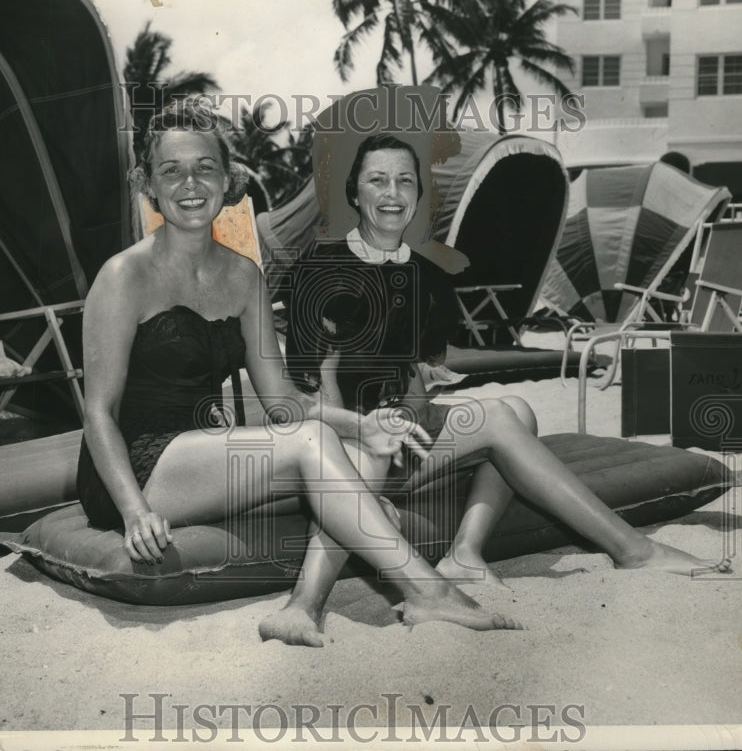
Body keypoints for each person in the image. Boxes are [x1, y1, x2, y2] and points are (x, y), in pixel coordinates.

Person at [261, 133, 730, 647]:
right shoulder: (322, 269)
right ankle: (303, 605)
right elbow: (310, 396)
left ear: (418, 194)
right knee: (431, 438)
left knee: (516, 410)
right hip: (343, 443)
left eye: (405, 181)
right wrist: (371, 426)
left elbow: (414, 371)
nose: (392, 193)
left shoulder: (423, 273)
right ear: (355, 192)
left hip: (401, 434)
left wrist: (415, 412)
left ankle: (465, 552)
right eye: (378, 180)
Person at [75, 101, 521, 638]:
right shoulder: (123, 276)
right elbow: (98, 412)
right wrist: (133, 511)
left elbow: (282, 402)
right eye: (171, 171)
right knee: (312, 443)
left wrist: (362, 425)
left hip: (202, 452)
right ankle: (428, 591)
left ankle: (304, 606)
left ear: (228, 179)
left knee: (340, 446)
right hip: (135, 468)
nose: (190, 184)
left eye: (205, 167)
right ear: (148, 183)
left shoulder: (244, 276)